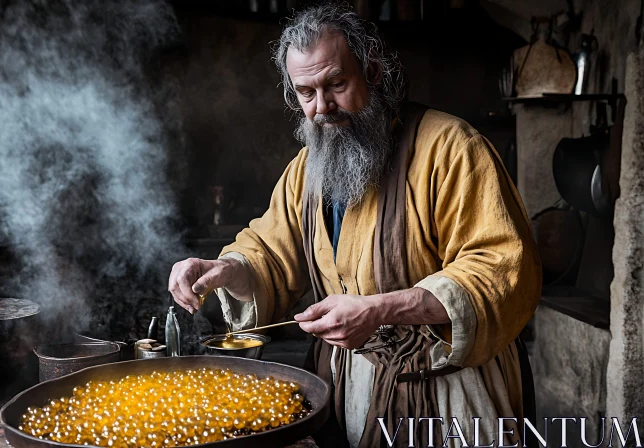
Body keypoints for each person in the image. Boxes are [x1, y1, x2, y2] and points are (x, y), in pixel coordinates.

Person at [168, 4, 541, 447]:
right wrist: (229, 268)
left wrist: (382, 308)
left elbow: (502, 271)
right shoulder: (306, 170)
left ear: (375, 71)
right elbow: (268, 250)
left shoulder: (452, 148)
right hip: (349, 389)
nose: (322, 107)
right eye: (306, 93)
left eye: (337, 84)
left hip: (450, 395)